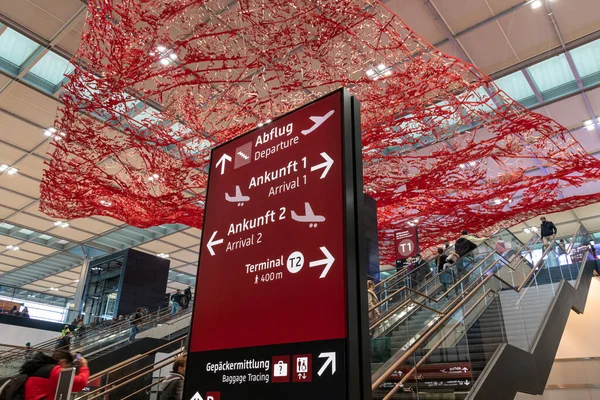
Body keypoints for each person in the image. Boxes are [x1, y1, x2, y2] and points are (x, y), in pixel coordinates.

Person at [22, 349, 89, 400]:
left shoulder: (38, 368)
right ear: (63, 361)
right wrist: (84, 366)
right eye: (68, 367)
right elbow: (80, 383)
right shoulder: (55, 371)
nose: (67, 370)